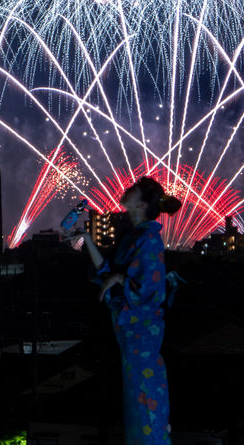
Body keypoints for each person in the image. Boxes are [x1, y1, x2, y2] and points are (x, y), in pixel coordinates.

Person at [72, 177, 181, 444]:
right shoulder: (134, 236)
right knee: (136, 402)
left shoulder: (149, 239)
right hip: (129, 335)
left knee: (144, 402)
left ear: (141, 204)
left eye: (133, 190)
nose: (126, 189)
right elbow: (107, 272)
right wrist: (86, 238)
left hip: (141, 333)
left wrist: (120, 280)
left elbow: (151, 291)